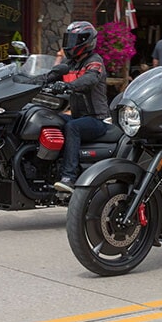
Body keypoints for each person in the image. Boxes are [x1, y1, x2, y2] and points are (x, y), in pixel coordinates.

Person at [50, 21, 110, 193]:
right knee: (49, 119)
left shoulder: (95, 61)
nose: (70, 44)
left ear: (86, 41)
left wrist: (68, 86)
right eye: (69, 39)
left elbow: (89, 79)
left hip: (97, 119)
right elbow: (51, 75)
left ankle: (69, 176)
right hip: (77, 116)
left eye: (74, 39)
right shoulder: (71, 63)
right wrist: (26, 81)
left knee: (72, 127)